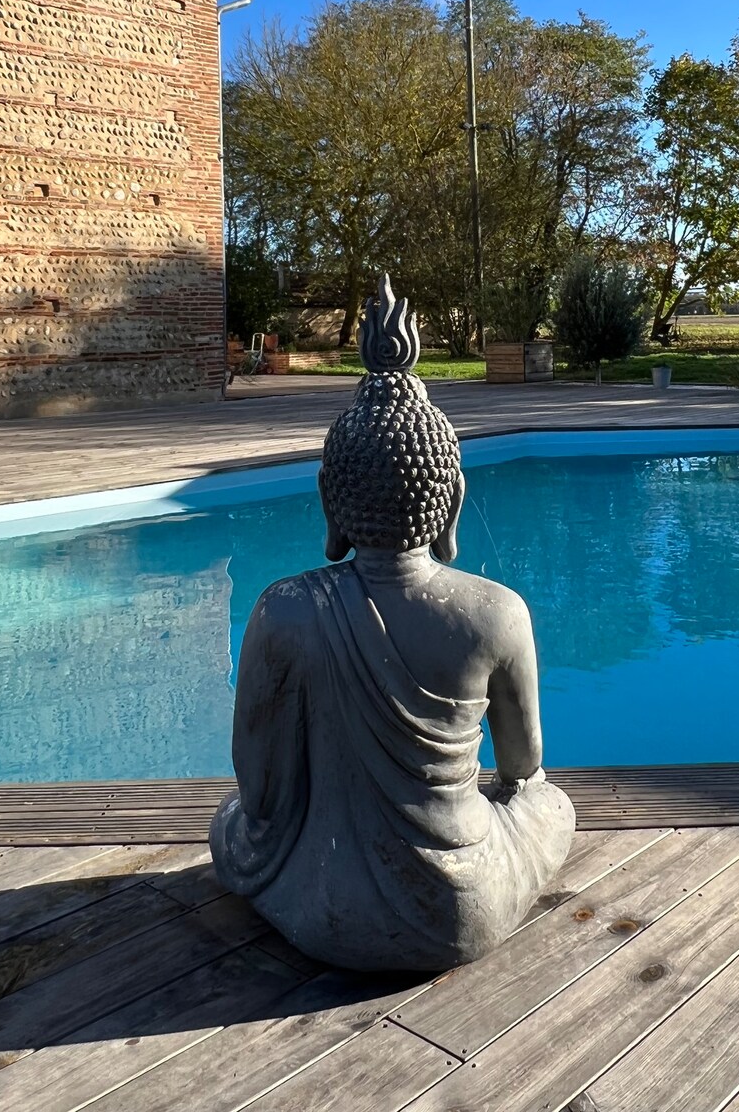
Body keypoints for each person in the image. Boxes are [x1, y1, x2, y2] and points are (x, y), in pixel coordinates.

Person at [210, 276, 574, 971]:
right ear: (452, 502)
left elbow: (257, 792)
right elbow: (522, 768)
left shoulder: (282, 609)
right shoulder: (498, 612)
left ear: (330, 499)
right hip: (464, 909)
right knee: (550, 805)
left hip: (313, 905)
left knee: (227, 826)